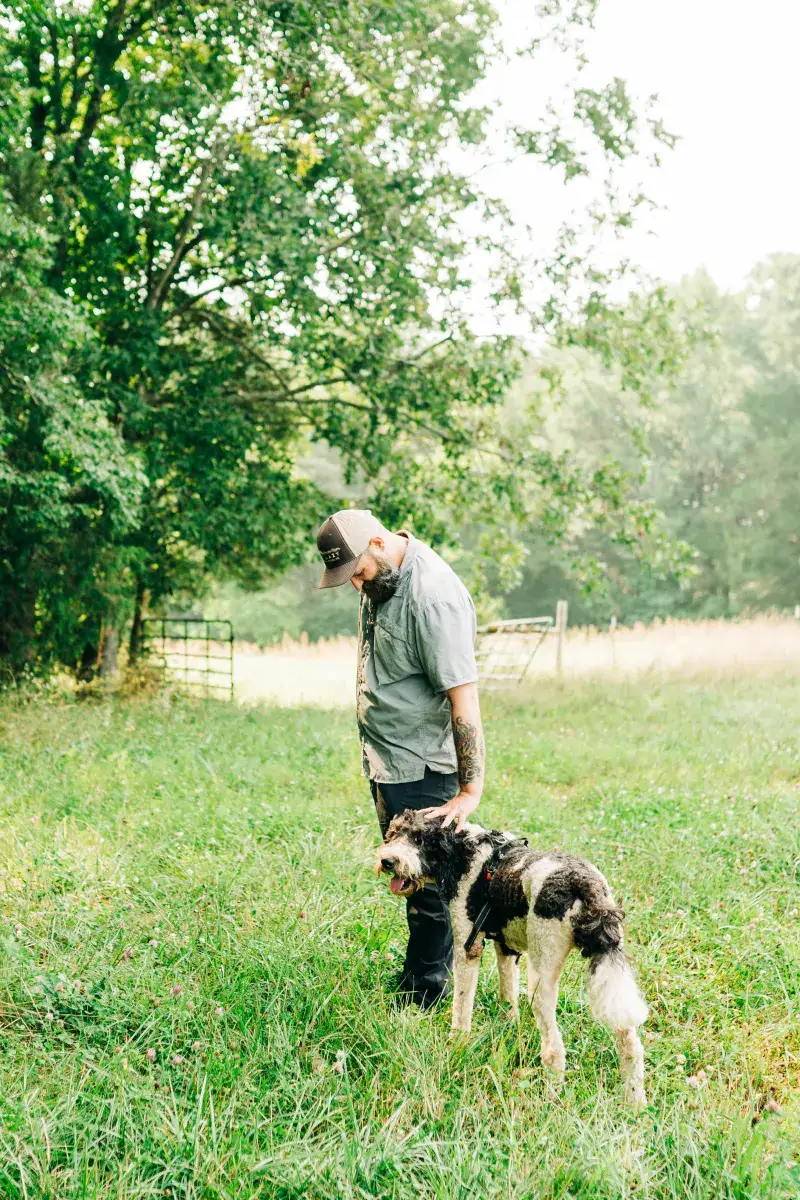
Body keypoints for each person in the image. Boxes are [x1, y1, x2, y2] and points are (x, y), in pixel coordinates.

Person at [315, 508, 485, 1009]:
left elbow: (464, 698)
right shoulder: (382, 577)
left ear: (377, 543)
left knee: (433, 888)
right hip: (389, 761)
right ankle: (419, 973)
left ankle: (427, 995)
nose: (357, 585)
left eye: (358, 573)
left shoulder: (433, 598)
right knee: (408, 879)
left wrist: (469, 790)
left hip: (424, 765)